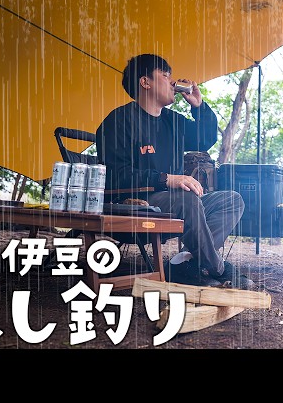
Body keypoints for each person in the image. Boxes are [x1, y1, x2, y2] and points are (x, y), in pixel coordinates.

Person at [96, 53, 254, 289]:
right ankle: (217, 268)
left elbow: (205, 139)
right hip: (133, 204)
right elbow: (113, 175)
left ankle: (186, 265)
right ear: (145, 82)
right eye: (165, 75)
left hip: (174, 204)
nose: (172, 82)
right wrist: (166, 179)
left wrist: (199, 107)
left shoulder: (172, 121)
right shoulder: (118, 121)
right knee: (187, 200)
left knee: (231, 200)